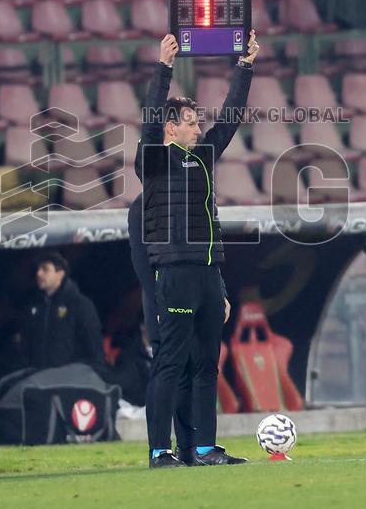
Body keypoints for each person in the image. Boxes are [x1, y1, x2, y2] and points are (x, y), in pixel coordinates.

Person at [137, 31, 258, 468]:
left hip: (207, 275)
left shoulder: (204, 157)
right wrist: (163, 67)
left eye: (197, 121)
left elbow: (231, 118)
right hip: (175, 274)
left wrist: (245, 67)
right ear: (171, 127)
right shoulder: (152, 156)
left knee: (208, 365)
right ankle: (159, 451)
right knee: (169, 364)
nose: (199, 126)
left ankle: (205, 448)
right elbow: (150, 119)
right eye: (190, 121)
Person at [128, 193, 195, 463]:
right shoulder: (145, 204)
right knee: (166, 367)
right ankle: (159, 449)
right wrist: (158, 300)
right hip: (162, 296)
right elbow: (141, 258)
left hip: (193, 293)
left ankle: (189, 447)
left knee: (190, 368)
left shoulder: (190, 198)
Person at [21, 252, 107, 374]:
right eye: (38, 269)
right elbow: (25, 348)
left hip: (70, 383)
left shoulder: (80, 304)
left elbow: (94, 350)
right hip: (38, 383)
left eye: (45, 269)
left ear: (60, 274)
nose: (38, 273)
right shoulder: (33, 306)